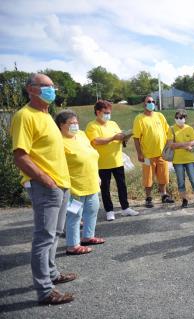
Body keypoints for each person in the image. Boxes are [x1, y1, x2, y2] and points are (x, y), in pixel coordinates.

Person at [10, 73, 76, 305]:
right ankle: (45, 291)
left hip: (61, 184)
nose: (51, 90)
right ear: (30, 89)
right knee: (44, 237)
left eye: (52, 86)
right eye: (45, 86)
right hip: (46, 186)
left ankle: (52, 274)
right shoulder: (24, 116)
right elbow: (20, 156)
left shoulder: (46, 115)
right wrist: (46, 180)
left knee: (55, 233)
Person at [55, 110, 105, 255]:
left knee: (92, 210)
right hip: (74, 187)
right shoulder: (58, 141)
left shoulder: (81, 135)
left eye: (76, 122)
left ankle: (88, 236)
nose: (75, 126)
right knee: (74, 215)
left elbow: (91, 156)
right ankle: (73, 245)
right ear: (61, 125)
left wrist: (96, 175)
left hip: (91, 182)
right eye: (71, 123)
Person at [86, 100, 138, 221]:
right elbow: (96, 141)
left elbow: (119, 136)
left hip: (117, 160)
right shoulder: (92, 126)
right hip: (102, 163)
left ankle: (125, 208)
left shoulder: (113, 123)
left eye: (109, 112)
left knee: (122, 185)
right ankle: (109, 210)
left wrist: (124, 137)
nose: (108, 115)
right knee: (105, 187)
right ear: (98, 112)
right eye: (105, 112)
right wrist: (113, 138)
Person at [133, 96, 174, 208]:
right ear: (144, 104)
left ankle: (164, 195)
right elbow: (136, 138)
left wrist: (168, 147)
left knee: (163, 176)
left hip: (162, 154)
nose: (151, 103)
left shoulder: (160, 116)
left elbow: (168, 131)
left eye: (153, 101)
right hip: (147, 155)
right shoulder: (139, 118)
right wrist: (139, 153)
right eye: (149, 102)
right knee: (148, 178)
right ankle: (148, 197)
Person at [166, 110, 194, 208]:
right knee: (181, 181)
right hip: (177, 160)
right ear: (175, 118)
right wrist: (185, 145)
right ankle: (184, 200)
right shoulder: (171, 129)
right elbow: (171, 145)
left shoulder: (190, 128)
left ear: (185, 119)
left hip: (189, 159)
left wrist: (180, 144)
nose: (180, 119)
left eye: (182, 117)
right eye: (178, 117)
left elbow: (193, 142)